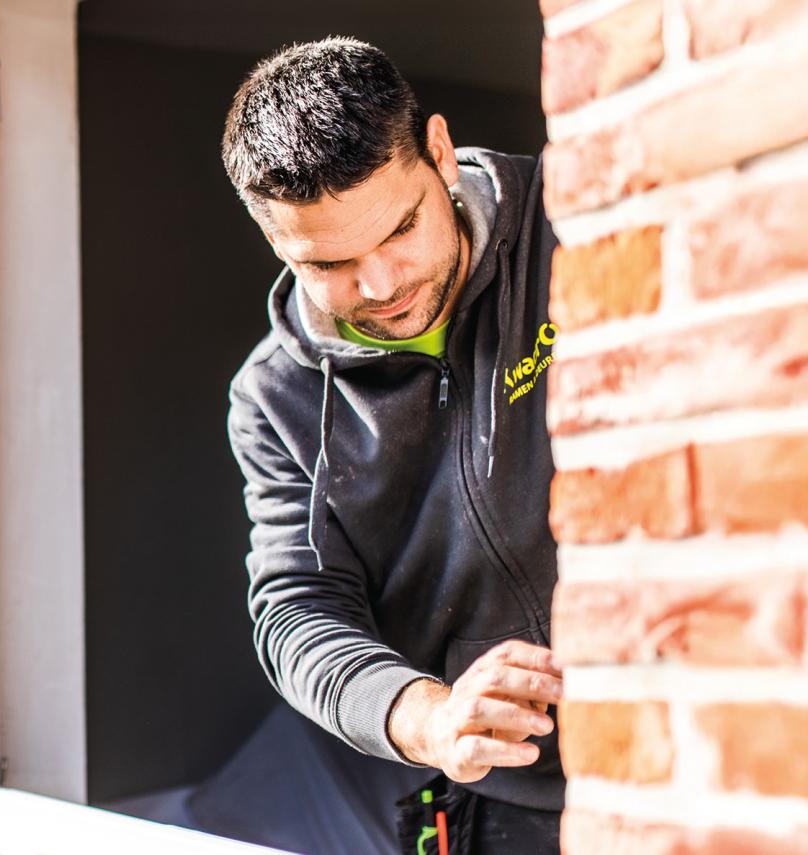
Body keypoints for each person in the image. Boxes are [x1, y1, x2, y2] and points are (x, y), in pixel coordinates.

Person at [219, 36, 567, 854]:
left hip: (693, 732)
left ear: (439, 153)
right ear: (278, 244)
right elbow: (298, 612)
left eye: (402, 228)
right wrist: (429, 716)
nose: (381, 285)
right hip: (505, 795)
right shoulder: (274, 399)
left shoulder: (570, 223)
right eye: (332, 263)